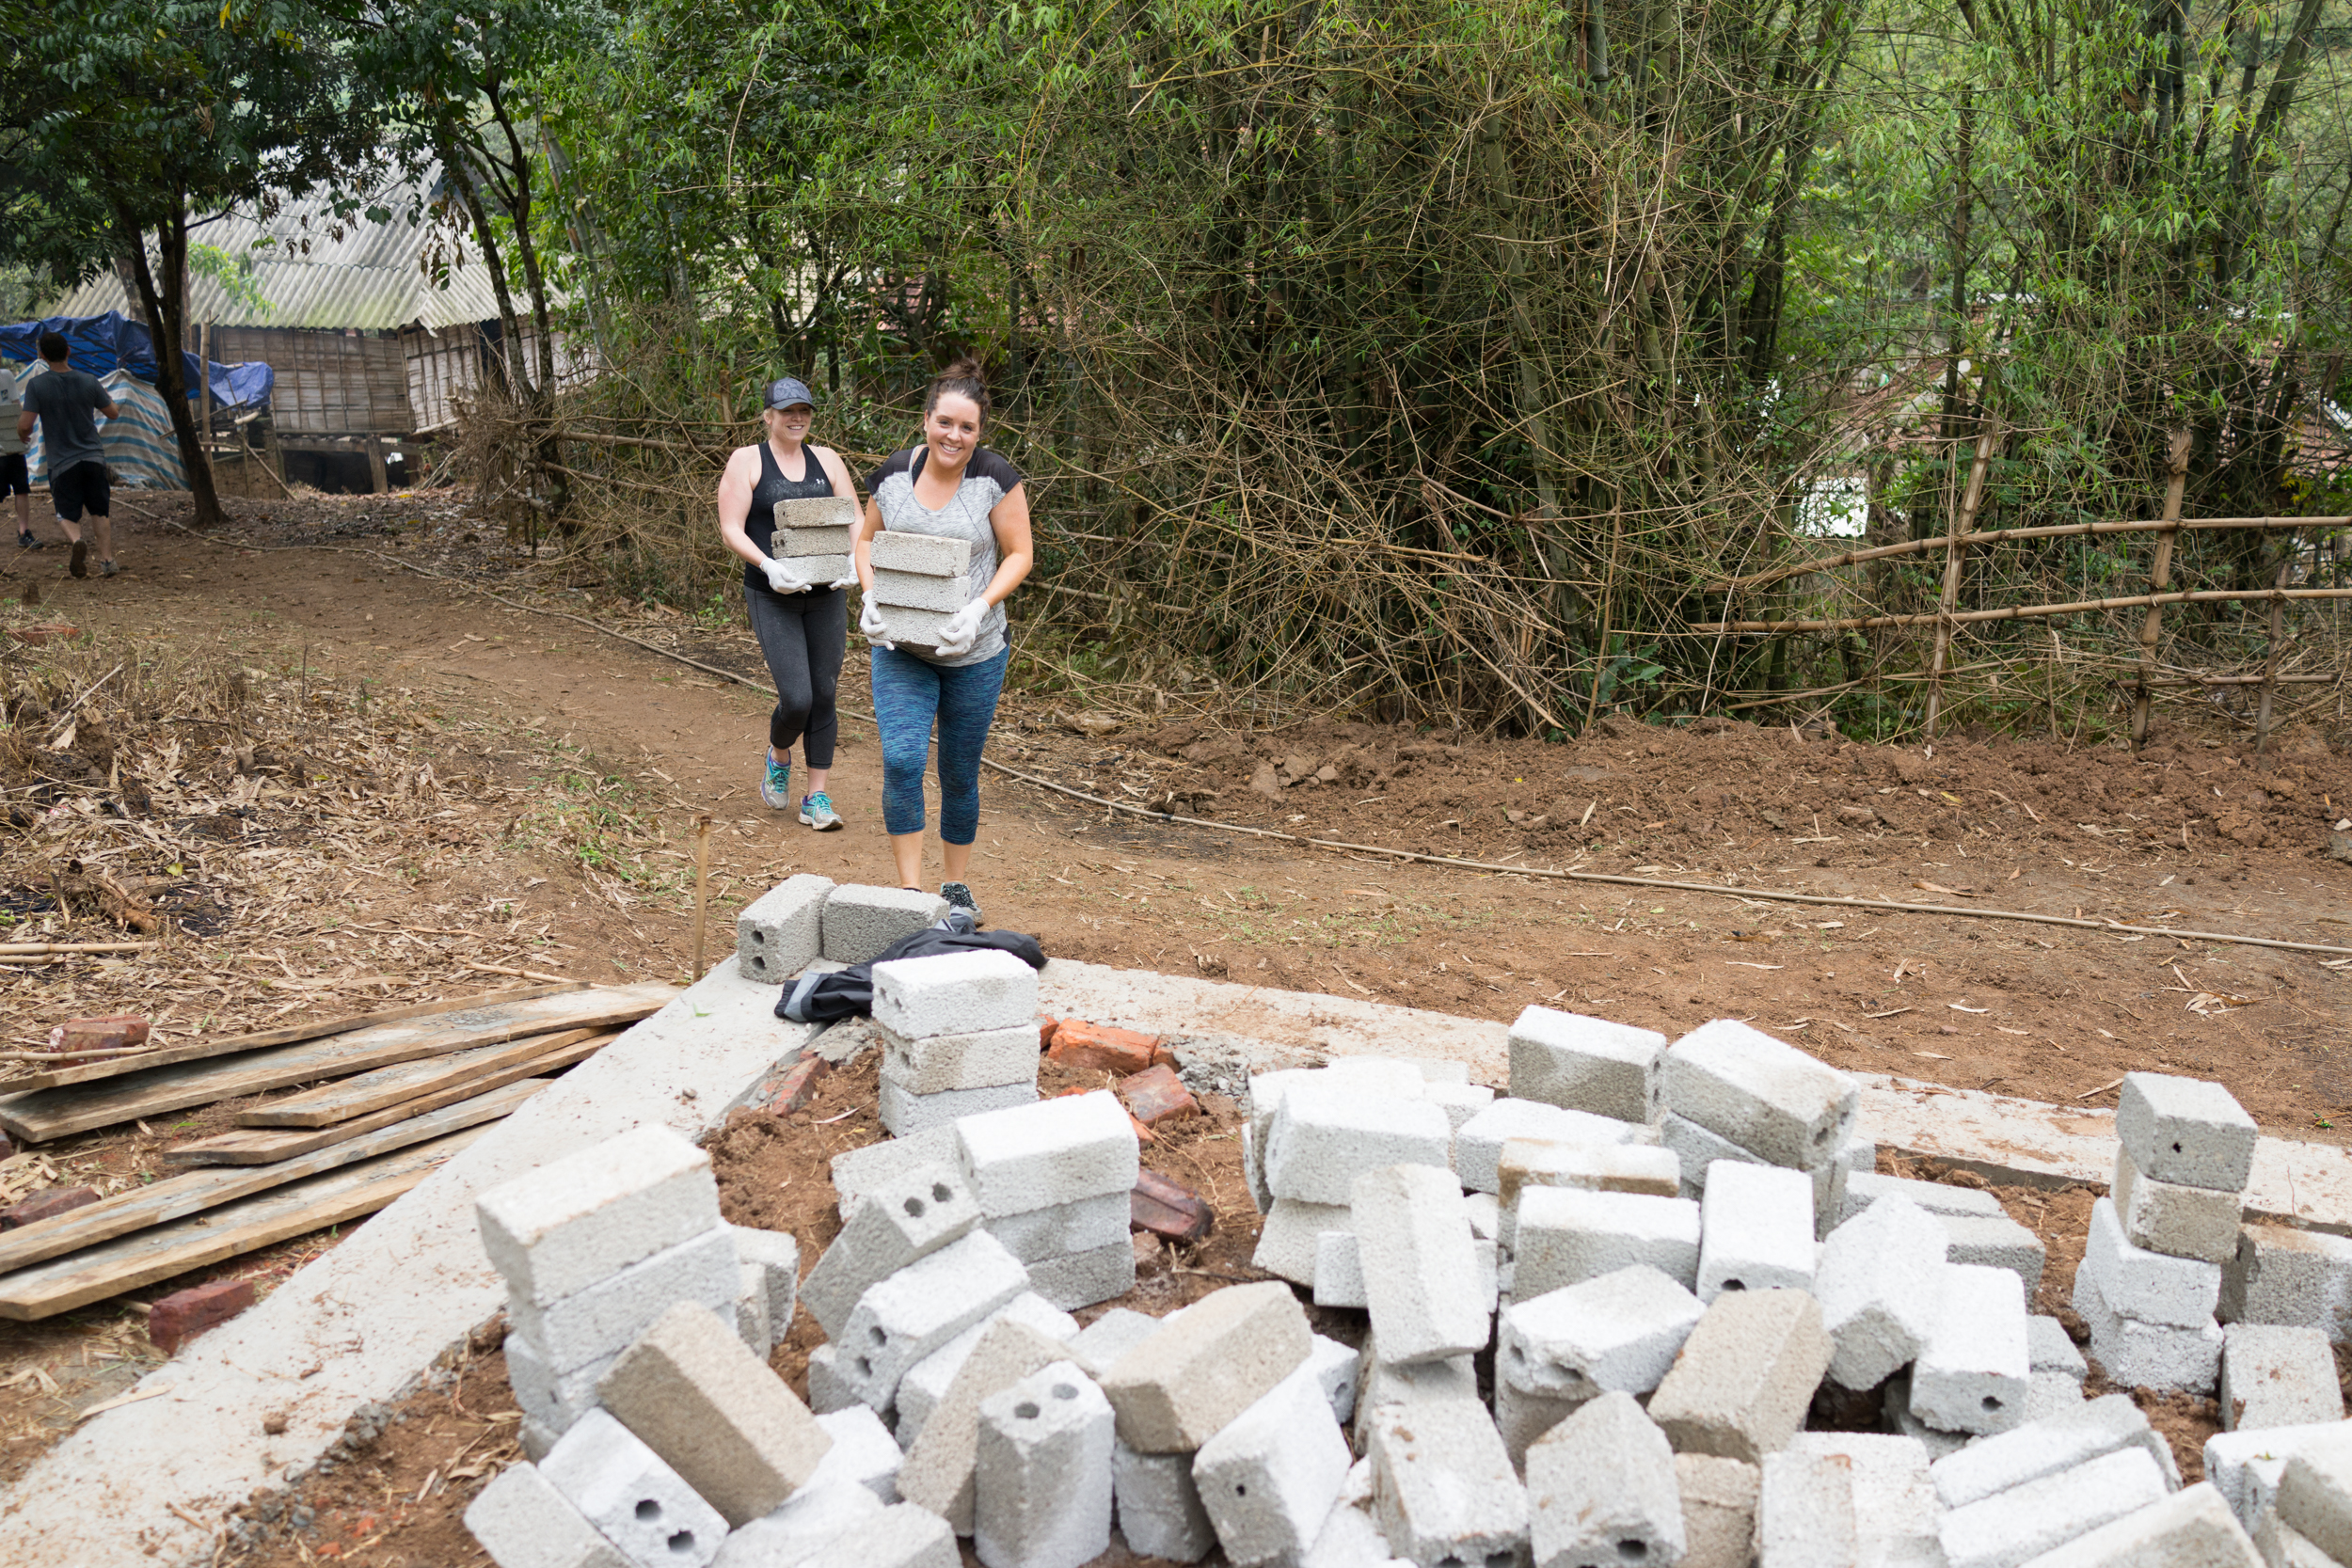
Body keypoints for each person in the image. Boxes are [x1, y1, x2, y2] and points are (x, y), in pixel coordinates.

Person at [854, 356, 1035, 922]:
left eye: (967, 427)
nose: (954, 436)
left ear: (979, 432)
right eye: (945, 423)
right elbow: (866, 541)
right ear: (926, 419)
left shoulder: (995, 479)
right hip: (902, 648)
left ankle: (954, 886)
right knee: (903, 761)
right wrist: (870, 597)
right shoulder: (892, 475)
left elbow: (1021, 554)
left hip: (974, 654)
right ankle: (911, 896)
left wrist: (981, 607)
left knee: (959, 771)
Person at [715, 375, 859, 830]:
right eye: (787, 411)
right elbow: (731, 528)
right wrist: (768, 566)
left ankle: (816, 798)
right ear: (768, 416)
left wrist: (855, 564)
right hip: (772, 594)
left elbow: (853, 517)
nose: (797, 418)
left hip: (826, 594)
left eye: (804, 411)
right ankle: (779, 756)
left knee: (826, 692)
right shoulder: (747, 461)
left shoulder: (828, 461)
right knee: (797, 698)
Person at [16, 331, 120, 578]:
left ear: (42, 356)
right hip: (94, 458)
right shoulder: (88, 381)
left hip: (62, 463)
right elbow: (113, 413)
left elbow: (25, 424)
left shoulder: (37, 385)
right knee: (100, 511)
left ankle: (76, 542)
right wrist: (107, 396)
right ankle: (107, 561)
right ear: (68, 351)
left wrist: (22, 434)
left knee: (65, 513)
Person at [0, 372, 30, 549]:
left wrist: (20, 434)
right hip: (9, 443)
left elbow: (16, 406)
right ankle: (23, 532)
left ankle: (23, 532)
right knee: (19, 489)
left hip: (11, 443)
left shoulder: (5, 375)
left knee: (21, 488)